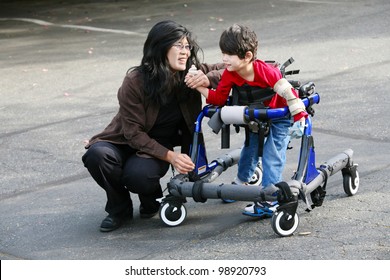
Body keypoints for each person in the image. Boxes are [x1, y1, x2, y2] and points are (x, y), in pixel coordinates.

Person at [82, 20, 224, 232]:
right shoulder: (135, 81)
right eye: (179, 46)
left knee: (138, 176)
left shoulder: (190, 74)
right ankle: (119, 208)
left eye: (187, 46)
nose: (185, 52)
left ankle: (151, 200)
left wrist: (207, 78)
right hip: (124, 140)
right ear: (160, 47)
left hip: (156, 145)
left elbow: (231, 68)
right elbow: (132, 133)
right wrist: (171, 157)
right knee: (96, 155)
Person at [188, 24, 308, 217]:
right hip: (256, 115)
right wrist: (198, 87)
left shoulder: (265, 71)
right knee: (249, 147)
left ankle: (270, 198)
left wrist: (299, 117)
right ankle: (241, 184)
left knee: (272, 152)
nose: (224, 58)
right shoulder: (230, 74)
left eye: (229, 54)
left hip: (279, 116)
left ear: (248, 56)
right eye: (223, 53)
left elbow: (289, 93)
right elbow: (218, 98)